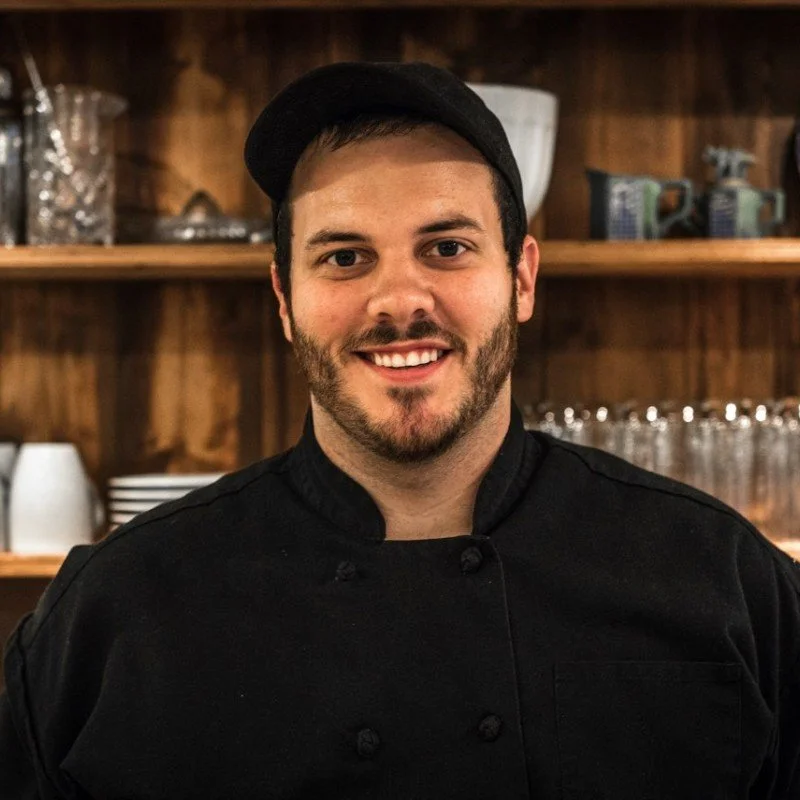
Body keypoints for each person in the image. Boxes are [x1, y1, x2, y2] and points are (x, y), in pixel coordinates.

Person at [1, 61, 798, 800]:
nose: (397, 300)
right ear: (284, 298)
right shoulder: (116, 609)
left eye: (446, 247)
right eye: (345, 257)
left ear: (520, 278)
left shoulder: (726, 582)